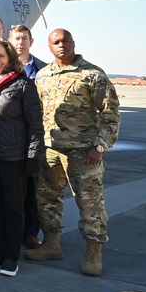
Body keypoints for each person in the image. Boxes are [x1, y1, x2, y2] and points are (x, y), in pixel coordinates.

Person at [28, 29, 120, 277]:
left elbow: (110, 115)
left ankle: (93, 252)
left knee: (90, 204)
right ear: (49, 47)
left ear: (73, 43)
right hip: (50, 151)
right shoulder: (44, 75)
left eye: (65, 40)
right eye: (55, 42)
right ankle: (51, 244)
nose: (61, 45)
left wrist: (99, 147)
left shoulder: (92, 75)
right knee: (47, 200)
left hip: (83, 152)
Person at [0, 38, 44, 277]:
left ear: (9, 58)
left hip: (14, 157)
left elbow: (35, 124)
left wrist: (33, 155)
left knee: (14, 208)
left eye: (1, 56)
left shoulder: (23, 85)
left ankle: (11, 257)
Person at [9, 23, 47, 248]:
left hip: (34, 134)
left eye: (24, 38)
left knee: (33, 188)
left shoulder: (44, 70)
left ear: (31, 42)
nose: (20, 42)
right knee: (13, 189)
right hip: (11, 136)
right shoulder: (4, 69)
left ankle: (31, 232)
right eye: (16, 38)